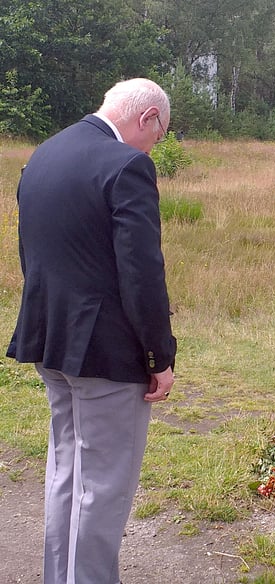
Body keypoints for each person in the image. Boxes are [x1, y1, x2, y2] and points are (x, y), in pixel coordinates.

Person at [6, 78, 177, 584]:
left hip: (49, 340)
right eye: (159, 135)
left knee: (67, 473)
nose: (154, 146)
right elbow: (141, 272)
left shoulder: (44, 154)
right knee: (102, 486)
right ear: (147, 118)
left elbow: (33, 253)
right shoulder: (127, 165)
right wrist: (159, 356)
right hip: (106, 354)